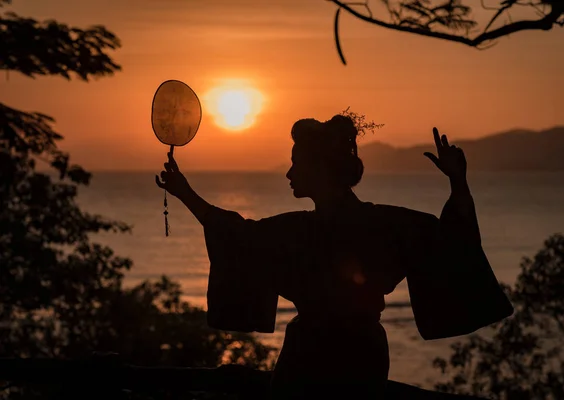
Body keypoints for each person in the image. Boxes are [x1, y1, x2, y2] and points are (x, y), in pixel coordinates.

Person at [155, 115, 513, 399]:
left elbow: (236, 235)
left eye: (297, 164)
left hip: (309, 356)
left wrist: (185, 193)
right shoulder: (385, 224)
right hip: (362, 355)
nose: (289, 173)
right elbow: (451, 241)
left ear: (321, 169)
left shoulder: (297, 231)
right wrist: (458, 183)